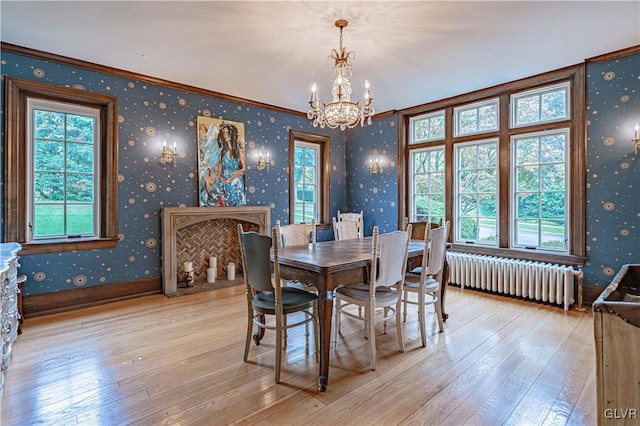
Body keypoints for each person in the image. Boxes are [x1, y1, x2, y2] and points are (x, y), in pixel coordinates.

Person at [199, 121, 245, 206]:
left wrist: (230, 179)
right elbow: (220, 169)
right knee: (223, 203)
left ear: (232, 134)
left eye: (227, 133)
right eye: (224, 133)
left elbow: (243, 169)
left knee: (235, 204)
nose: (225, 135)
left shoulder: (240, 151)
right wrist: (220, 177)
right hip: (224, 182)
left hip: (235, 181)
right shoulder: (221, 153)